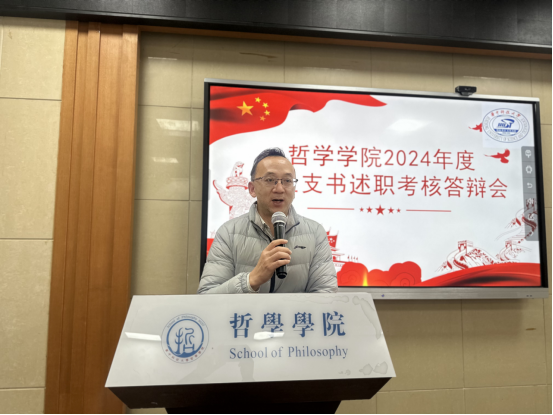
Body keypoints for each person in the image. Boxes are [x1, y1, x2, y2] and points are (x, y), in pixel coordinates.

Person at [198, 148, 338, 294]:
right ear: (252, 189)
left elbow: (326, 294)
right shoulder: (228, 233)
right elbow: (207, 296)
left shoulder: (315, 233)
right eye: (270, 180)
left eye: (287, 181)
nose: (279, 189)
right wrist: (252, 280)